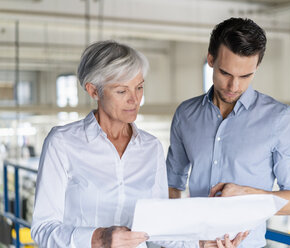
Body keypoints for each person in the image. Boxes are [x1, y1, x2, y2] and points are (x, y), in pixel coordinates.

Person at [31, 40, 246, 248]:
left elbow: (158, 226)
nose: (135, 100)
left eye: (139, 87)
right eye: (122, 91)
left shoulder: (150, 147)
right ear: (94, 91)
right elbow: (43, 229)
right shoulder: (62, 143)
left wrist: (202, 244)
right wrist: (98, 239)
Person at [167, 18, 290, 248]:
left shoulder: (280, 119)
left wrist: (247, 195)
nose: (234, 86)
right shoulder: (186, 114)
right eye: (226, 73)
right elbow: (171, 186)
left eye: (245, 76)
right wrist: (181, 238)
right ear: (211, 60)